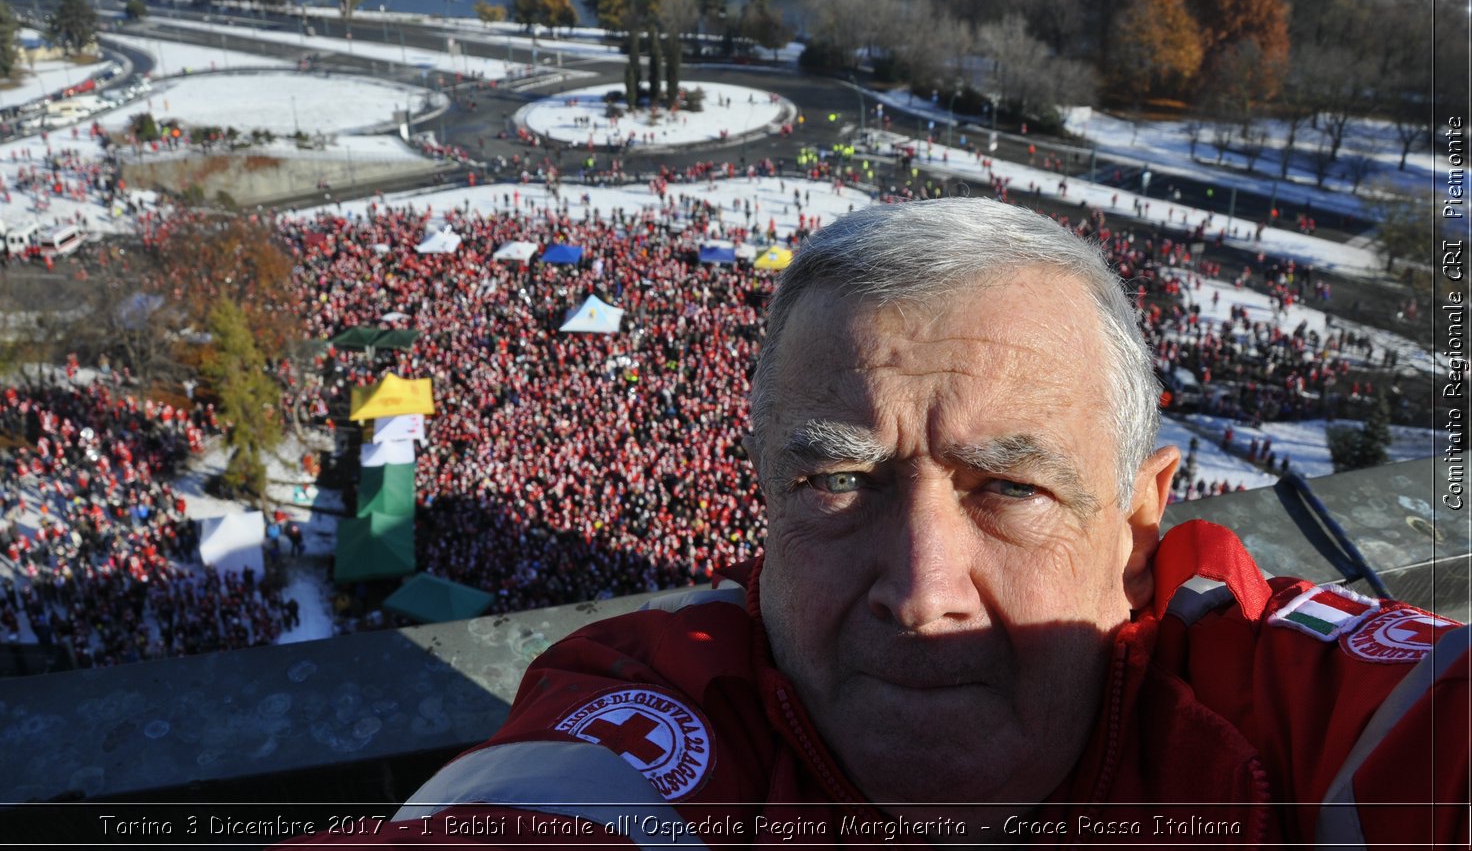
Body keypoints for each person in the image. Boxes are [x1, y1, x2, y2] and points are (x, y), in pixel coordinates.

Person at [297, 199, 1467, 848]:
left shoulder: (1307, 714)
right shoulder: (655, 717)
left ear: (1142, 518)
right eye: (838, 482)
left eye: (1007, 488)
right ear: (760, 498)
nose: (922, 587)